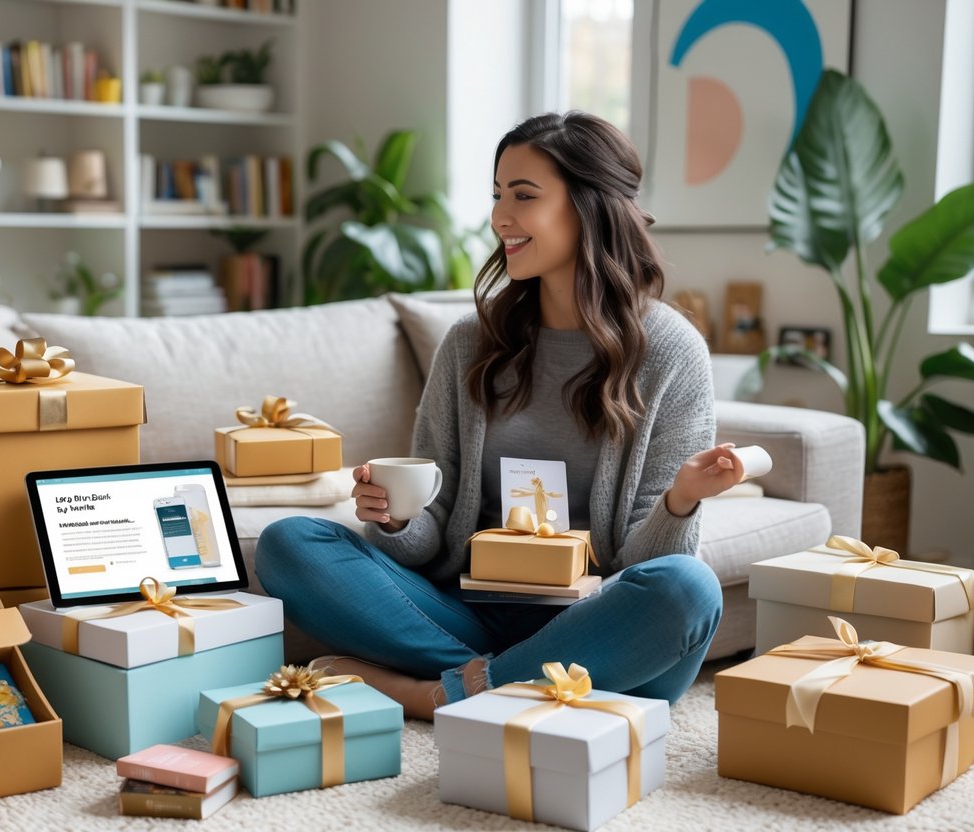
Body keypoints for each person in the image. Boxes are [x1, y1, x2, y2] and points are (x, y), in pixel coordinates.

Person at [254, 111, 738, 719]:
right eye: (497, 195)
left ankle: (436, 695)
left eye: (524, 196)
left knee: (687, 589)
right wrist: (398, 519)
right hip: (470, 614)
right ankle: (513, 684)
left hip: (597, 620)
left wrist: (680, 501)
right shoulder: (469, 343)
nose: (500, 217)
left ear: (590, 207)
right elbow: (429, 537)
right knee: (290, 544)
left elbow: (648, 567)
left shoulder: (671, 352)